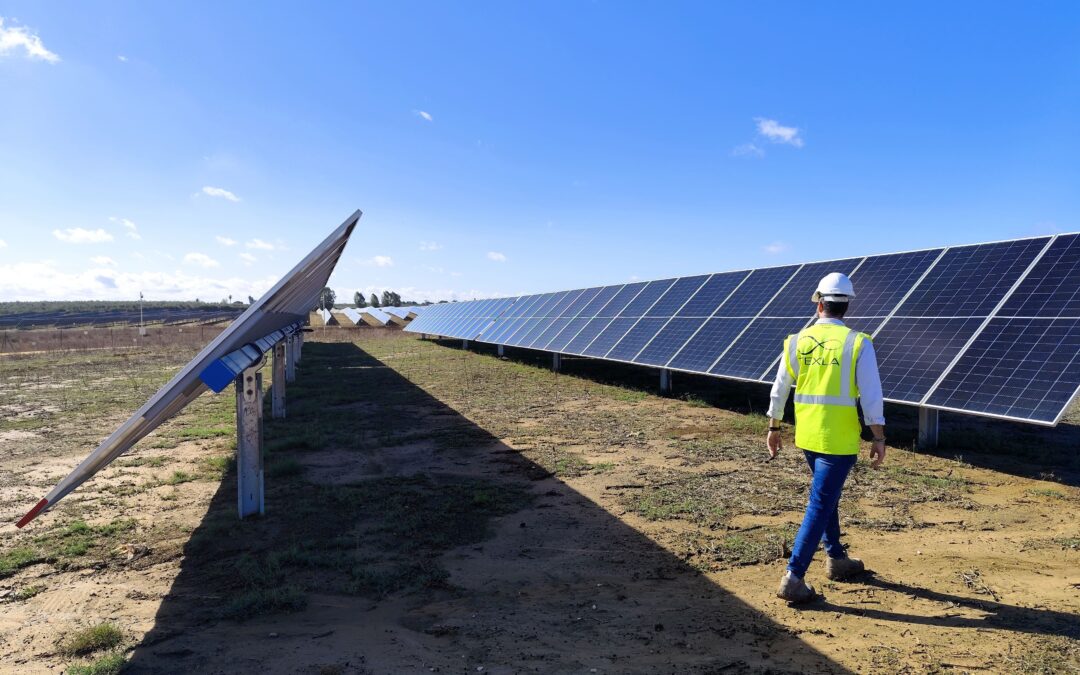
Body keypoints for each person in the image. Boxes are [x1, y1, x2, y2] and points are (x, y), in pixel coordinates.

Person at [765, 272, 886, 603]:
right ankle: (794, 576)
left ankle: (837, 558)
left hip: (808, 435)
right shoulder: (858, 342)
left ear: (819, 303)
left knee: (825, 496)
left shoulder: (797, 341)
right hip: (840, 440)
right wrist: (878, 435)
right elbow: (872, 395)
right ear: (846, 306)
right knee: (820, 503)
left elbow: (779, 389)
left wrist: (774, 428)